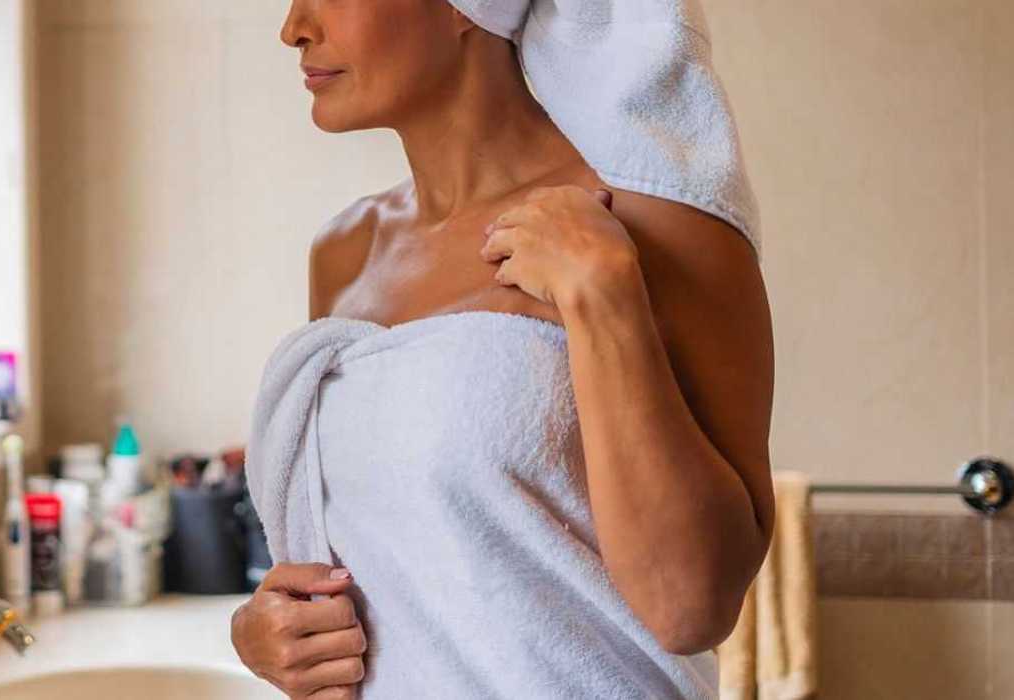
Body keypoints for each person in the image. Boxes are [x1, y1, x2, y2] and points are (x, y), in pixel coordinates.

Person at [231, 1, 775, 698]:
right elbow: (398, 565)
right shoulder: (345, 252)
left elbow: (691, 607)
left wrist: (602, 296)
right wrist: (269, 630)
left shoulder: (653, 222)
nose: (295, 27)